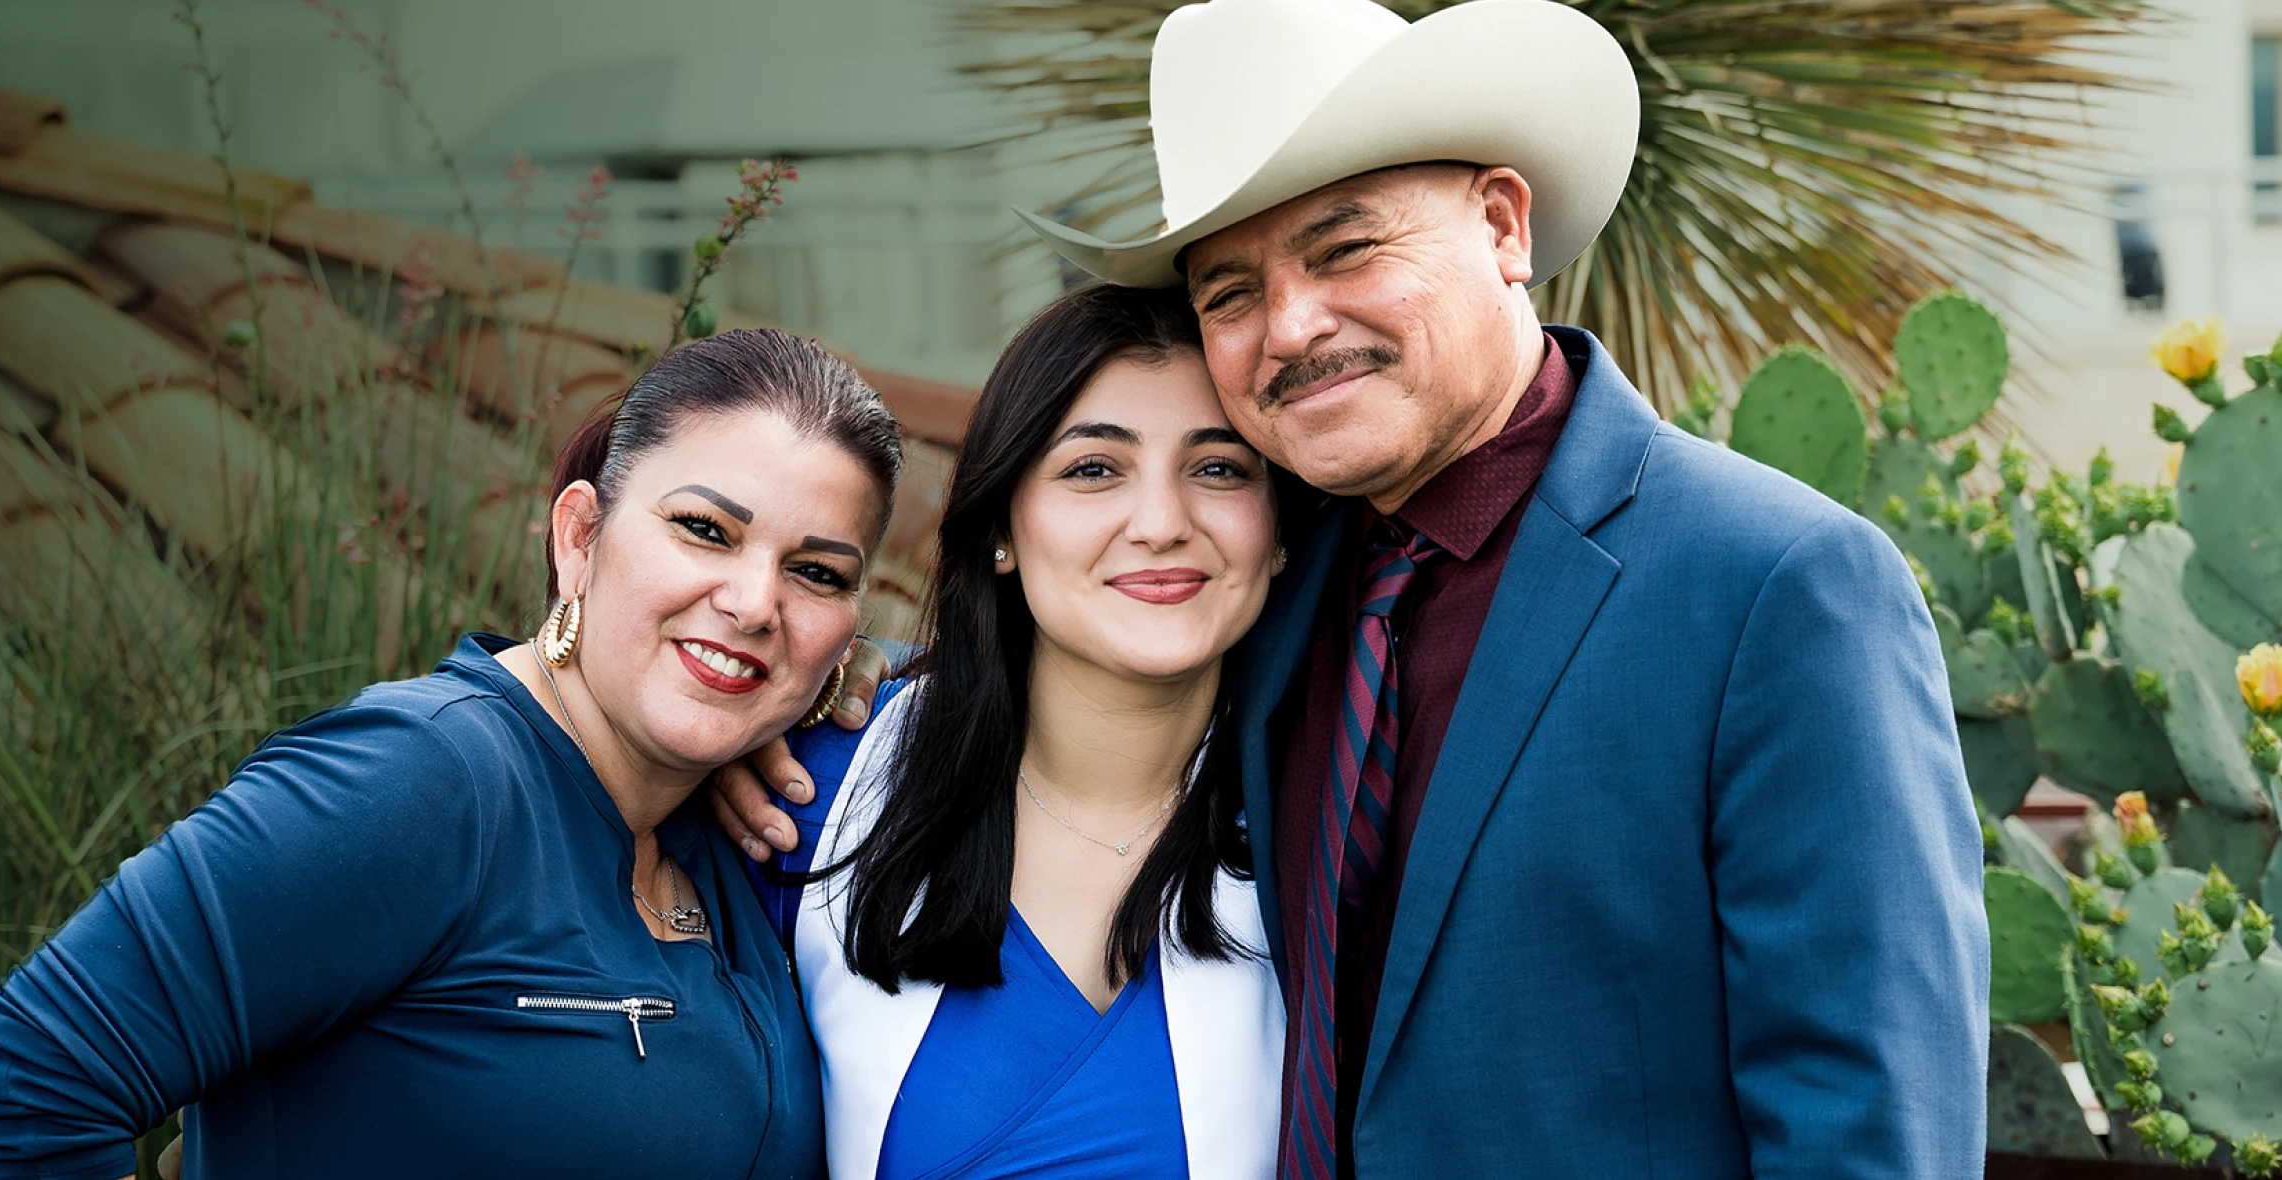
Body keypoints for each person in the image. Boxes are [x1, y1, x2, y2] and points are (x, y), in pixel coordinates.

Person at [720, 1, 1990, 1177]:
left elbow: (1869, 1123)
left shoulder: (1774, 585)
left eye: (1346, 248)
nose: (1291, 327)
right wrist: (798, 699)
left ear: (1504, 225)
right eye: (1232, 293)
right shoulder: (1273, 575)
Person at [0, 328, 903, 1180]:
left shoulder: (728, 827)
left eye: (816, 573)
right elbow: (37, 1071)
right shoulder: (425, 777)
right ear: (580, 537)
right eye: (705, 530)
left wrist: (874, 683)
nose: (755, 603)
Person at [752, 282, 1285, 1180]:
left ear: (1278, 530)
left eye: (1220, 469)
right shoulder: (807, 794)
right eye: (1094, 469)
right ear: (1001, 524)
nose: (1162, 524)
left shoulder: (1343, 817)